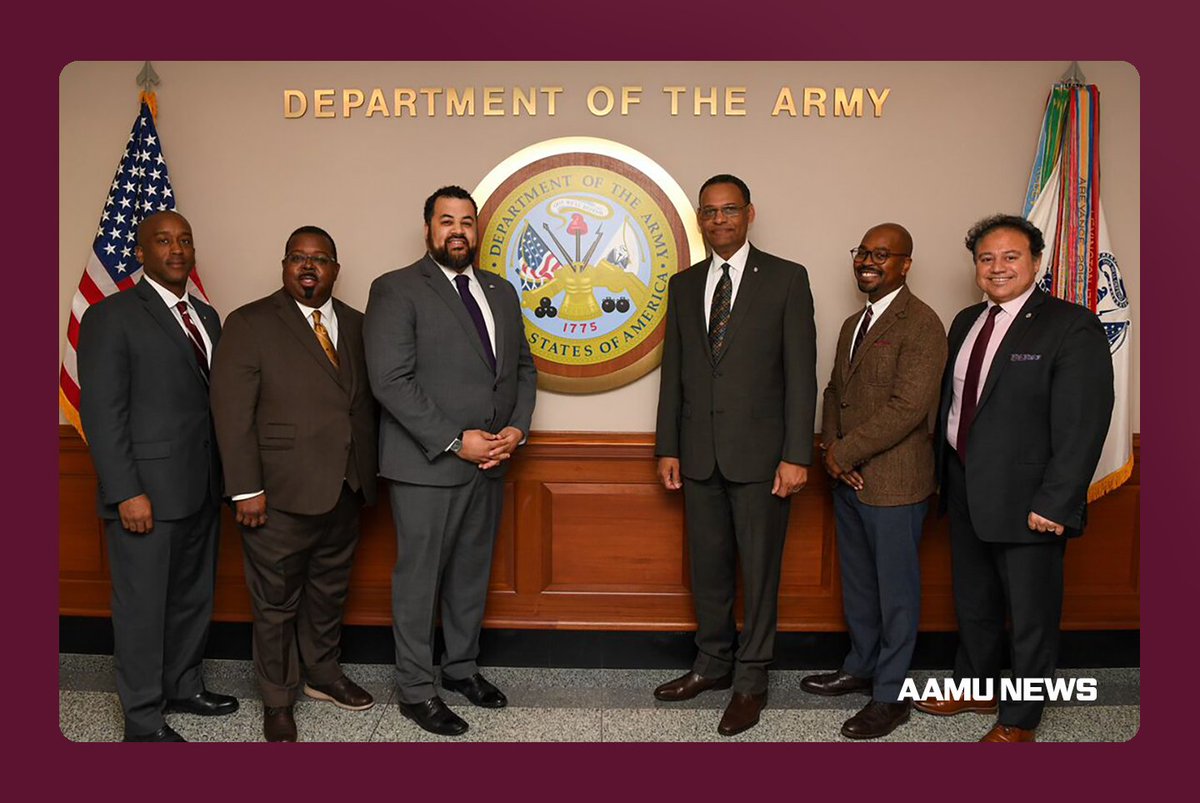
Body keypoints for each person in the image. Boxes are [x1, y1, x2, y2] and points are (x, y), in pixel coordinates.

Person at [916, 214, 1114, 742]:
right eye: (987, 258)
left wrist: (1056, 501)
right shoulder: (965, 322)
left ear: (1036, 262)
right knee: (974, 601)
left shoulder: (1070, 325)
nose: (997, 267)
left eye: (1011, 257)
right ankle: (976, 688)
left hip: (1031, 499)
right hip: (963, 488)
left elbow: (1084, 423)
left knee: (1030, 616)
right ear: (975, 266)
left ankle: (1021, 719)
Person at [364, 186, 536, 736]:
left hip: (491, 461)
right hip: (427, 464)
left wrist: (515, 430)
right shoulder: (395, 289)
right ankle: (416, 690)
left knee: (469, 575)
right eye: (446, 221)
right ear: (428, 229)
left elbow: (523, 371)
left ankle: (461, 669)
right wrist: (454, 440)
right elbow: (390, 381)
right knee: (419, 581)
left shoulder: (501, 291)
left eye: (466, 221)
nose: (457, 230)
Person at [654, 174, 817, 736]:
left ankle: (751, 679)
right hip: (698, 456)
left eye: (730, 210)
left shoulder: (787, 279)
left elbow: (802, 375)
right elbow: (674, 371)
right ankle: (713, 663)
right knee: (710, 570)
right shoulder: (684, 284)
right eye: (709, 211)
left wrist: (798, 454)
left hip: (764, 459)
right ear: (699, 219)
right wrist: (668, 446)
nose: (719, 220)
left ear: (750, 214)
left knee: (761, 572)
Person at [210, 226, 379, 742]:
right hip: (276, 495)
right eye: (298, 258)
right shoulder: (250, 323)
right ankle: (278, 698)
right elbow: (232, 415)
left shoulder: (357, 325)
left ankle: (323, 676)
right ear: (284, 266)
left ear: (335, 269)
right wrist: (245, 490)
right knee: (276, 603)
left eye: (321, 258)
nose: (309, 267)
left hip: (345, 490)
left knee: (329, 592)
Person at [77, 210, 238, 742]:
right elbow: (102, 413)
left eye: (185, 240)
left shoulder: (207, 316)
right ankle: (143, 720)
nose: (177, 250)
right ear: (140, 252)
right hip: (145, 494)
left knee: (193, 597)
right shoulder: (111, 316)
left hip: (201, 487)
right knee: (143, 609)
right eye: (163, 241)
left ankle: (183, 686)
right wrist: (126, 491)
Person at [801, 223, 947, 739]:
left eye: (882, 255)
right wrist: (831, 453)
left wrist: (845, 450)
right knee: (860, 585)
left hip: (895, 482)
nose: (868, 261)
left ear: (905, 264)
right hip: (848, 477)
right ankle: (860, 664)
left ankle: (890, 694)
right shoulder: (851, 323)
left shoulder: (922, 324)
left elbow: (909, 407)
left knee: (896, 592)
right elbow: (835, 391)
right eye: (863, 252)